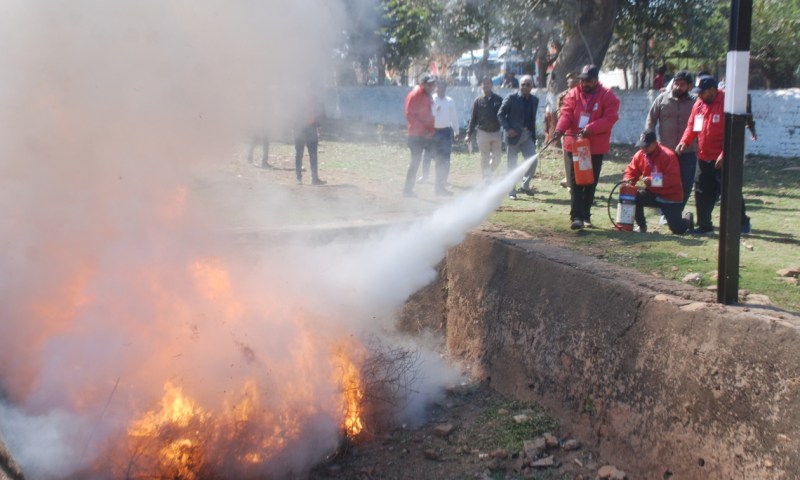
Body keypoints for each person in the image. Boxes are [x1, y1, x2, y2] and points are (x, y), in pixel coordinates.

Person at [676, 75, 752, 234]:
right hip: (704, 157)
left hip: (723, 158)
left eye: (702, 92)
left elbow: (734, 133)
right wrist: (685, 141)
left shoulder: (727, 103)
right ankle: (704, 226)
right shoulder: (699, 105)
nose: (699, 95)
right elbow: (693, 126)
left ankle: (742, 223)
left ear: (712, 90)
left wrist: (725, 154)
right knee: (702, 193)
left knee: (730, 191)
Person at [554, 64, 620, 230]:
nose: (584, 84)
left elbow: (610, 119)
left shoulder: (607, 96)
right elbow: (566, 113)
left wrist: (591, 128)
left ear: (596, 80)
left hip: (594, 147)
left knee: (590, 182)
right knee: (575, 182)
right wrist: (559, 129)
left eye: (588, 81)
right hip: (574, 145)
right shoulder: (573, 94)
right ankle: (576, 217)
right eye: (582, 80)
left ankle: (586, 216)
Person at [623, 131, 694, 234]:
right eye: (641, 146)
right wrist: (628, 179)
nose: (643, 149)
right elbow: (631, 171)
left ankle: (688, 218)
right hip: (652, 193)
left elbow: (672, 179)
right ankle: (642, 226)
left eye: (646, 146)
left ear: (654, 143)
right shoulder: (640, 155)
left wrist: (652, 180)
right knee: (634, 196)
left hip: (670, 196)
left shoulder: (668, 156)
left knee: (678, 230)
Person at [646, 70, 697, 211]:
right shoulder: (662, 99)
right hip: (663, 152)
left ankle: (677, 211)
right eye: (676, 84)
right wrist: (650, 140)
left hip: (688, 151)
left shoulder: (695, 103)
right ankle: (660, 209)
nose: (677, 87)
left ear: (690, 86)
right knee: (658, 180)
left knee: (685, 182)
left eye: (682, 85)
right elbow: (651, 120)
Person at [497, 74, 539, 199]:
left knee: (533, 160)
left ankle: (525, 185)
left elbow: (532, 118)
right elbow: (500, 114)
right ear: (519, 86)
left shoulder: (534, 100)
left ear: (532, 86)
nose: (525, 87)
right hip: (513, 136)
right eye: (522, 85)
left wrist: (532, 134)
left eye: (528, 85)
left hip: (527, 135)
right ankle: (511, 191)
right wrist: (508, 129)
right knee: (512, 164)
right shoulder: (511, 98)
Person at [403, 73, 437, 197]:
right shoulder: (415, 95)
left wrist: (431, 131)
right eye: (429, 84)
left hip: (426, 134)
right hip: (416, 135)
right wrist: (425, 131)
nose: (432, 86)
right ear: (422, 84)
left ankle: (439, 187)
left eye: (433, 84)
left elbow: (430, 115)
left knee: (439, 157)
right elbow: (409, 115)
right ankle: (408, 189)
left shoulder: (428, 96)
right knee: (415, 162)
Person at [424, 81, 459, 196]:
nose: (439, 89)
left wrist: (456, 131)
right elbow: (425, 115)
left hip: (445, 132)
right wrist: (435, 110)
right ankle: (436, 185)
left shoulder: (450, 101)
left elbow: (454, 117)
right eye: (438, 87)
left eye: (442, 87)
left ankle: (441, 185)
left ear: (445, 88)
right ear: (435, 88)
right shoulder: (431, 100)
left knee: (445, 159)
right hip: (433, 132)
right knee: (435, 158)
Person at [466, 77, 504, 183]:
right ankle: (486, 179)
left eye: (487, 83)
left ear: (491, 85)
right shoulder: (478, 101)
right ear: (481, 86)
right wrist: (468, 134)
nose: (485, 86)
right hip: (482, 133)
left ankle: (489, 172)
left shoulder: (499, 100)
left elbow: (504, 115)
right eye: (483, 84)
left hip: (496, 132)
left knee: (497, 159)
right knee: (484, 158)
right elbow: (473, 118)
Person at [553, 72, 580, 189]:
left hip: (580, 131)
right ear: (567, 81)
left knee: (580, 157)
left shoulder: (582, 94)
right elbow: (559, 112)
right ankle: (569, 180)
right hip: (568, 130)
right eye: (571, 80)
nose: (573, 82)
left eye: (576, 80)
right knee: (567, 157)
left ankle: (579, 179)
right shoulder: (562, 95)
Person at [293, 98, 326, 186]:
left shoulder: (315, 102)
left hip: (311, 128)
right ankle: (298, 178)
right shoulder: (298, 100)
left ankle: (314, 179)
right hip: (299, 129)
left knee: (313, 155)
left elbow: (318, 116)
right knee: (299, 154)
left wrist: (318, 126)